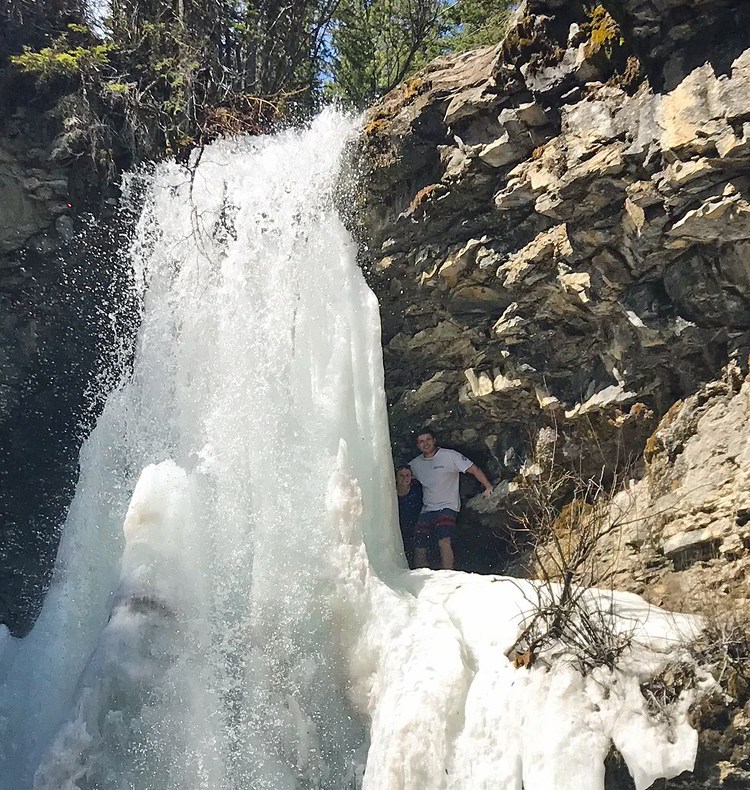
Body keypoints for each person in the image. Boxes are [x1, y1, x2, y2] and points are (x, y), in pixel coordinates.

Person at [409, 429, 493, 570]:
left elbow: (473, 469)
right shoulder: (415, 465)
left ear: (434, 440)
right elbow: (403, 479)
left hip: (447, 506)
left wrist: (488, 486)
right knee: (420, 543)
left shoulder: (450, 456)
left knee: (444, 540)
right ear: (418, 445)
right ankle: (420, 574)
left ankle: (447, 573)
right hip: (427, 508)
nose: (426, 444)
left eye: (428, 440)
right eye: (421, 441)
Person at [396, 465, 422, 568]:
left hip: (414, 525)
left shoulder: (417, 491)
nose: (405, 478)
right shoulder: (390, 492)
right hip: (398, 526)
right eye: (401, 475)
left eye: (407, 475)